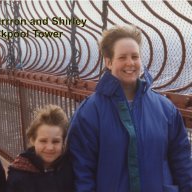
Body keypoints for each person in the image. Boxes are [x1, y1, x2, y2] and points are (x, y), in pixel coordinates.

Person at [67, 25, 192, 192]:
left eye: (135, 56)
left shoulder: (166, 109)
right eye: (122, 57)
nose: (130, 63)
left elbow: (181, 160)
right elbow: (81, 171)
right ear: (108, 62)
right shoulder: (89, 113)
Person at [6, 104, 74, 192]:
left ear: (63, 142)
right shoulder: (18, 176)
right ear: (33, 140)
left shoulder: (69, 168)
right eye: (43, 141)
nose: (49, 148)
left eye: (55, 141)